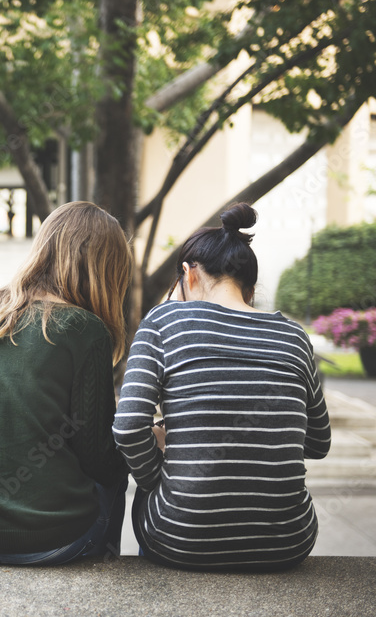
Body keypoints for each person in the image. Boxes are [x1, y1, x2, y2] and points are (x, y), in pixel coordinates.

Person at [114, 202, 330, 572]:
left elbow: (129, 427)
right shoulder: (294, 336)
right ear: (251, 286)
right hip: (288, 542)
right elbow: (317, 444)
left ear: (189, 274)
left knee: (140, 501)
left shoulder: (164, 321)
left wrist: (160, 478)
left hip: (180, 539)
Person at [0, 201, 133, 565]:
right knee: (117, 472)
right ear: (105, 269)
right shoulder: (84, 331)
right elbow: (99, 459)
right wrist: (141, 441)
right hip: (51, 540)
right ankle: (103, 566)